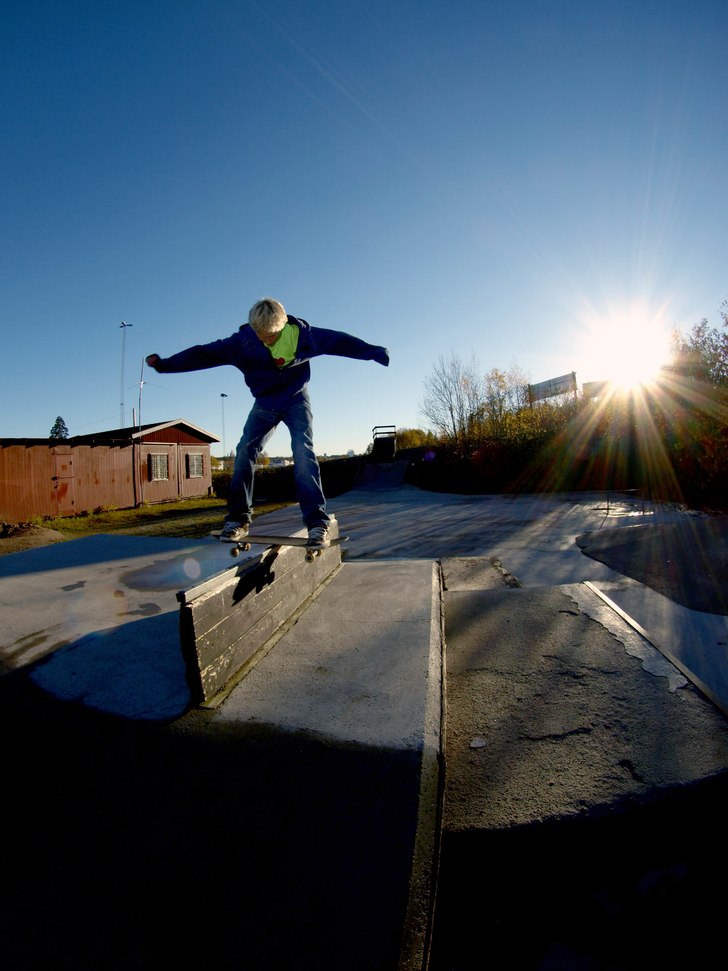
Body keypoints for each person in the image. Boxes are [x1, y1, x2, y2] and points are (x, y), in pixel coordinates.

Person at [146, 298, 390, 548]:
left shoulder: (305, 337)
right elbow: (204, 354)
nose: (266, 341)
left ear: (283, 325)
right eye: (261, 336)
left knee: (303, 452)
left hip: (296, 401)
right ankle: (238, 519)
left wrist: (373, 352)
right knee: (244, 452)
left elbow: (340, 342)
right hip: (264, 404)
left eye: (271, 336)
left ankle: (317, 524)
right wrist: (166, 365)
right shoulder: (242, 343)